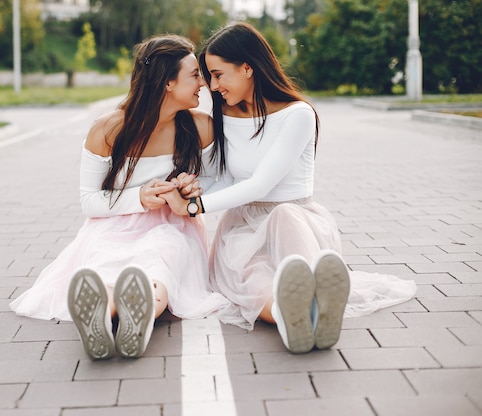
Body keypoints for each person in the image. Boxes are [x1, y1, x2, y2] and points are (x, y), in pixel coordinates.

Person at [161, 22, 416, 354]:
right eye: (209, 76)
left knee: (284, 215)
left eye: (219, 74)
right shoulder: (224, 114)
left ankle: (317, 295)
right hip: (243, 230)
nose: (212, 85)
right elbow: (225, 178)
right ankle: (293, 316)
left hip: (297, 223)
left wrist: (195, 208)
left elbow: (261, 184)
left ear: (248, 67)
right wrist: (191, 188)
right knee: (256, 282)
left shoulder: (299, 115)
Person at [10, 34, 229, 360]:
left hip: (175, 225)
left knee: (161, 257)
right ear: (168, 83)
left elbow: (217, 183)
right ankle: (103, 313)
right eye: (195, 74)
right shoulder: (108, 130)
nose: (204, 82)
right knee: (104, 262)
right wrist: (138, 197)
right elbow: (89, 201)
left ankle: (138, 318)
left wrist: (192, 189)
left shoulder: (200, 127)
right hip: (115, 224)